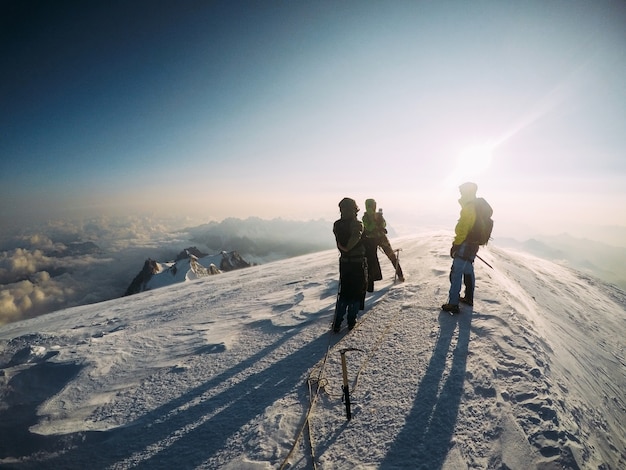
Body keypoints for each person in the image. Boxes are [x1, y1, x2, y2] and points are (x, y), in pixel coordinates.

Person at [442, 182, 480, 314]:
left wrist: (456, 244)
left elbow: (463, 229)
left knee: (456, 272)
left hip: (465, 243)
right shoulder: (476, 206)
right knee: (468, 269)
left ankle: (453, 303)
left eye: (462, 191)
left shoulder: (469, 208)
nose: (460, 193)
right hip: (473, 244)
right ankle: (469, 297)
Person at [333, 197, 367, 332]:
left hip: (344, 262)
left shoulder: (337, 224)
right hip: (357, 261)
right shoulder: (357, 224)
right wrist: (348, 248)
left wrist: (343, 249)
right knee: (356, 291)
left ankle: (337, 322)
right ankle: (351, 320)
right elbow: (356, 237)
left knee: (344, 291)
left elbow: (338, 239)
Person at [362, 198, 404, 285]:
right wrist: (376, 220)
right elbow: (370, 228)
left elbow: (383, 224)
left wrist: (379, 219)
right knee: (389, 256)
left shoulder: (367, 217)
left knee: (375, 258)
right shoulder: (366, 217)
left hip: (374, 239)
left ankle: (399, 275)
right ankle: (400, 275)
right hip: (377, 238)